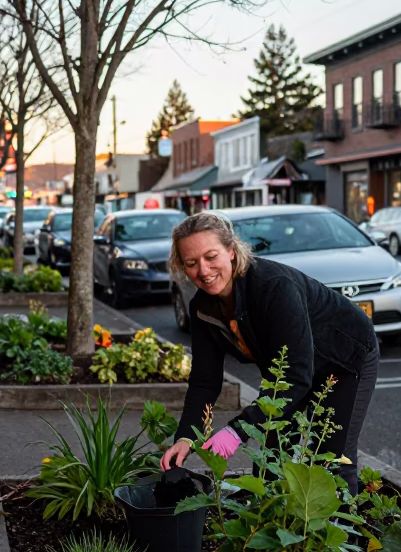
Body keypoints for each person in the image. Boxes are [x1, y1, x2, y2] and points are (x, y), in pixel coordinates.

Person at [159, 212, 379, 495]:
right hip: (289, 373)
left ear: (231, 250)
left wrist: (237, 430)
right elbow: (204, 382)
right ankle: (272, 527)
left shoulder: (273, 286)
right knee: (271, 458)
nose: (203, 270)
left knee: (332, 458)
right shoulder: (202, 308)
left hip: (344, 359)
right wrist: (186, 437)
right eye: (191, 263)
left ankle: (343, 532)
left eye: (211, 256)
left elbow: (297, 377)